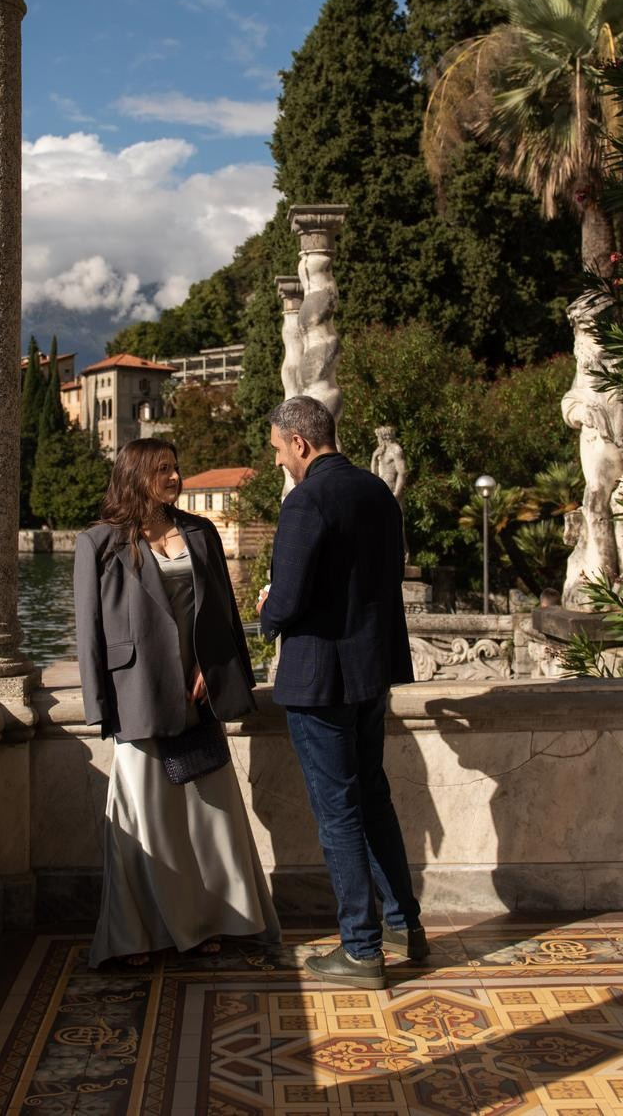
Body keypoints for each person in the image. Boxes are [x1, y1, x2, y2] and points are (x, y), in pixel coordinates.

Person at [74, 438, 280, 967]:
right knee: (145, 821)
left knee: (208, 818)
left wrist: (216, 673)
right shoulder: (98, 543)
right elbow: (89, 634)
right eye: (161, 469)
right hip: (137, 696)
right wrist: (102, 706)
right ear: (135, 474)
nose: (173, 476)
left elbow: (225, 618)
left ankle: (216, 919)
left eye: (175, 467)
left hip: (199, 694)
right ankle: (140, 934)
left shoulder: (200, 532)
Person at [256, 396, 424, 990]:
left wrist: (265, 613)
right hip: (369, 671)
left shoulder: (307, 501)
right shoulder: (378, 493)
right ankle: (405, 924)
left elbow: (291, 596)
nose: (280, 462)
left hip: (320, 677)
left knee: (339, 812)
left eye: (278, 450)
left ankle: (360, 949)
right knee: (372, 796)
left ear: (300, 443)